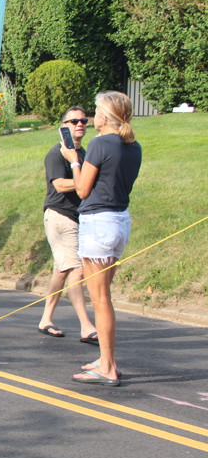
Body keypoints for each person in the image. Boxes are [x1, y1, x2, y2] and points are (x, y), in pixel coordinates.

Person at [62, 91, 141, 387]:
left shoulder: (99, 144)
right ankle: (104, 359)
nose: (92, 117)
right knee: (103, 295)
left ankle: (107, 365)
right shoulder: (133, 145)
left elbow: (82, 190)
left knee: (100, 299)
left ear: (105, 117)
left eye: (95, 112)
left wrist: (74, 160)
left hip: (99, 222)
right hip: (120, 220)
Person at [38, 106, 98, 342]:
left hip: (78, 216)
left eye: (83, 120)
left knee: (61, 270)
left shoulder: (83, 154)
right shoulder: (57, 154)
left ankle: (45, 319)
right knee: (76, 269)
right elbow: (60, 185)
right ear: (63, 126)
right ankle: (86, 326)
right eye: (74, 121)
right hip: (59, 216)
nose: (80, 124)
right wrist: (85, 181)